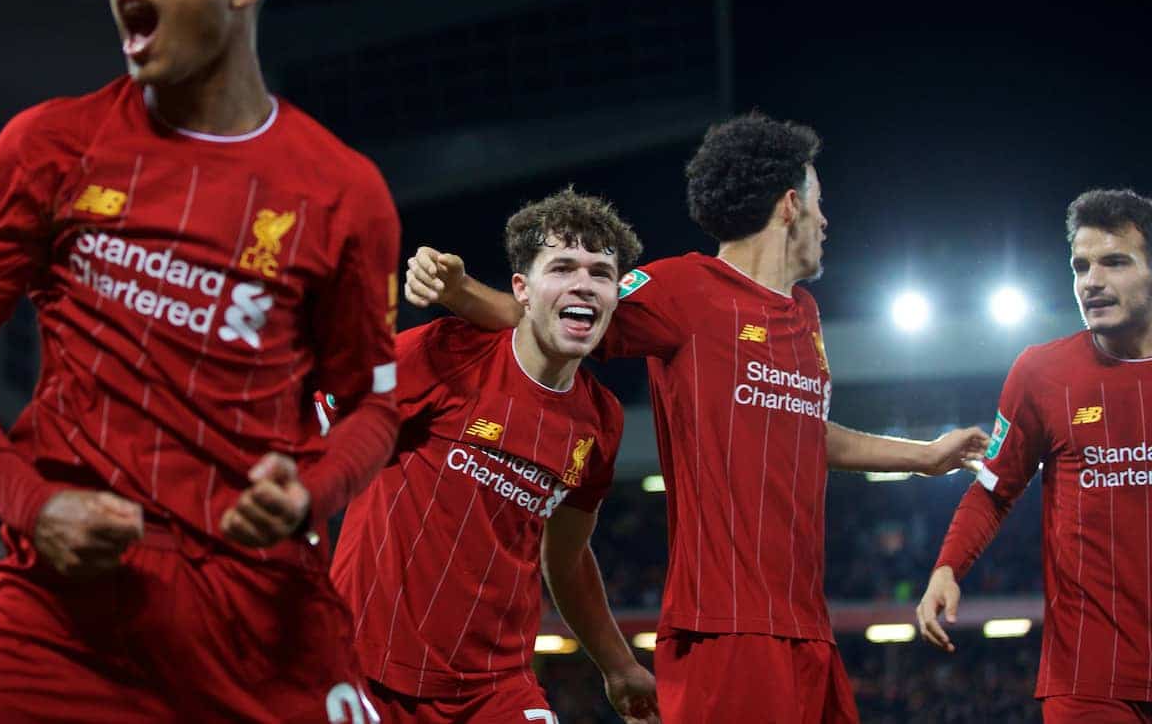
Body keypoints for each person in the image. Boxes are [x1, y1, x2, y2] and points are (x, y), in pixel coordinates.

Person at [0, 0, 398, 723]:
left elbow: (373, 407)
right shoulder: (47, 146)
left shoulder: (343, 191)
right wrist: (30, 501)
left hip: (257, 615)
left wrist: (310, 490)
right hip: (63, 606)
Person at [403, 111, 989, 723]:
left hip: (808, 628)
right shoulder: (684, 289)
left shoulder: (805, 316)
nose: (825, 219)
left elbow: (802, 431)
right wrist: (459, 292)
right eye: (819, 201)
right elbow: (550, 319)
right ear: (790, 204)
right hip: (726, 628)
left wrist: (923, 456)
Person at [330, 188, 659, 724]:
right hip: (365, 670)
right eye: (563, 267)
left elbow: (569, 558)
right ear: (521, 289)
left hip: (495, 689)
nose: (584, 283)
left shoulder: (601, 421)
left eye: (601, 273)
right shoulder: (441, 352)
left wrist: (619, 666)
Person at [918, 188, 1152, 723]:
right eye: (1081, 265)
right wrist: (947, 566)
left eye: (1115, 262)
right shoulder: (1041, 374)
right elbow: (993, 490)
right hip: (1089, 682)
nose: (1092, 281)